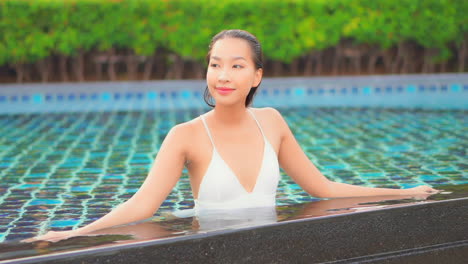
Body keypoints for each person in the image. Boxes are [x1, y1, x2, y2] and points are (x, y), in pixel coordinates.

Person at [26, 29, 438, 242]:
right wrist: (76, 233)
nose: (223, 75)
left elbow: (321, 187)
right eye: (216, 64)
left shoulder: (272, 121)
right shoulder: (185, 135)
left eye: (237, 66)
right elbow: (142, 204)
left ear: (257, 75)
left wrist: (404, 193)